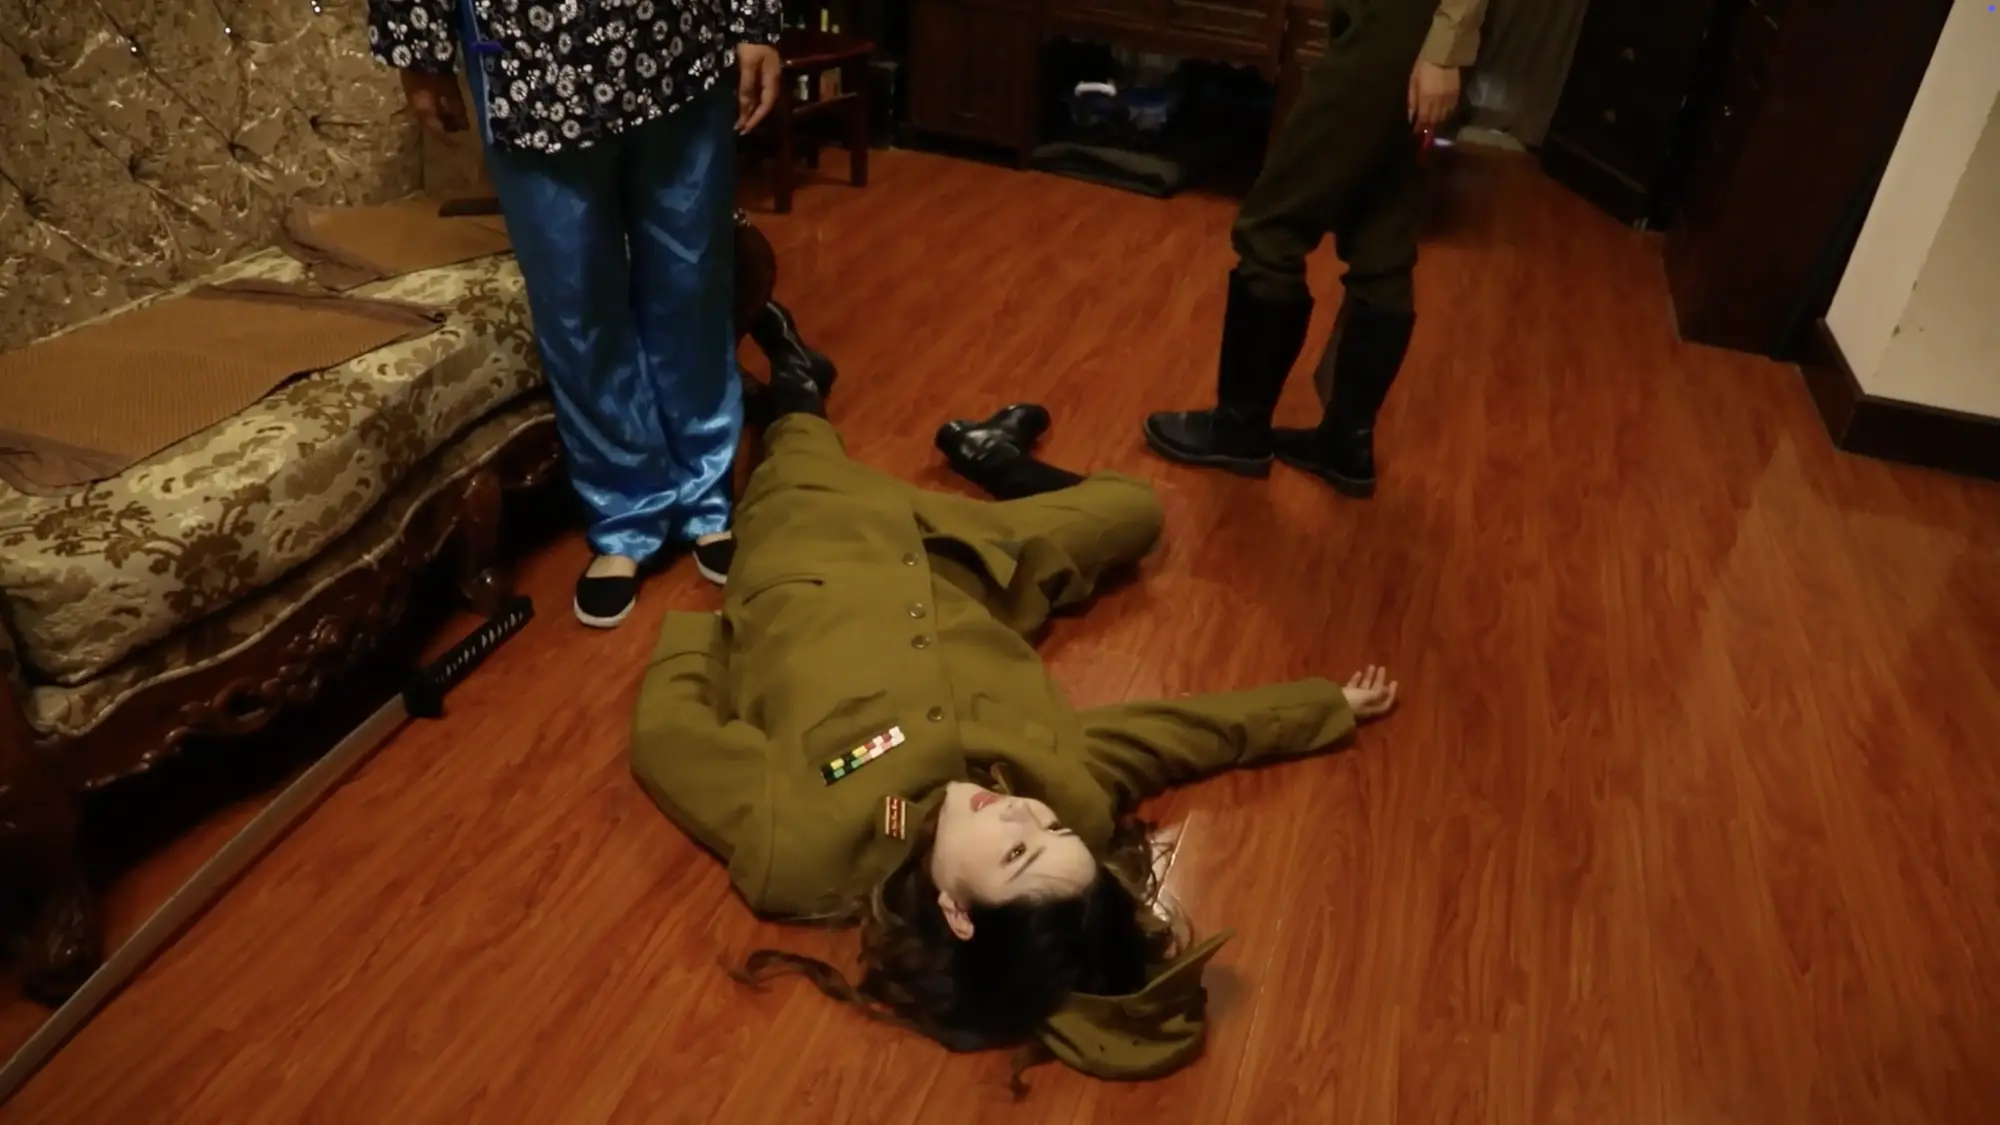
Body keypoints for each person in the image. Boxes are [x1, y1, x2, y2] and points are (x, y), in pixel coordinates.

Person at [628, 359, 1401, 1082]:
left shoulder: (801, 848)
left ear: (957, 913)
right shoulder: (1064, 792)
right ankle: (993, 457)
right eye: (1054, 831)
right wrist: (1323, 706)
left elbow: (669, 738)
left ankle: (798, 379)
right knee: (1134, 511)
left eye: (1017, 852)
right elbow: (1176, 735)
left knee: (800, 433)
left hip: (820, 543)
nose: (1027, 812)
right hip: (973, 563)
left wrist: (718, 629)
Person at [368, 0, 785, 627]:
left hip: (683, 37)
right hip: (529, 60)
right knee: (576, 304)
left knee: (693, 279)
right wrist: (419, 51)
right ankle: (627, 515)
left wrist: (754, 22)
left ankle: (706, 497)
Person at [1142, 0, 1489, 498]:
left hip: (1397, 23)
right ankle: (1345, 445)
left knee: (1271, 226)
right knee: (1381, 234)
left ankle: (1239, 429)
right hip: (1402, 25)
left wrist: (1443, 52)